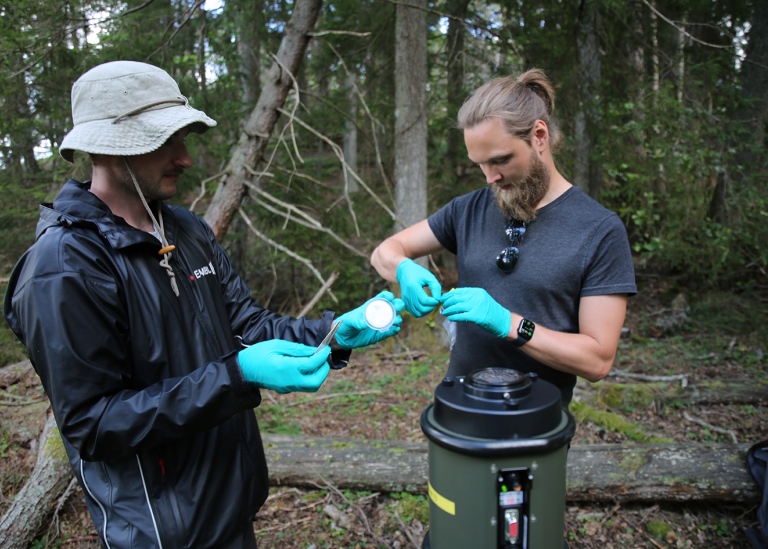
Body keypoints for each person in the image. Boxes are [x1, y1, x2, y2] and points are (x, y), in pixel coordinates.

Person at [3, 60, 404, 549]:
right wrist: (236, 376)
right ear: (108, 147)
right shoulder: (65, 265)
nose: (185, 157)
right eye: (165, 140)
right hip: (163, 531)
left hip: (231, 503)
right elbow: (94, 424)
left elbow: (247, 326)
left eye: (183, 137)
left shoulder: (186, 230)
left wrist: (335, 331)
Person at [371, 68, 636, 406]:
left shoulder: (599, 230)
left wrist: (510, 324)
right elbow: (385, 252)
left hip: (536, 427)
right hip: (458, 412)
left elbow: (597, 361)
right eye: (480, 164)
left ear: (539, 136)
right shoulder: (468, 210)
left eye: (501, 160)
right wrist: (403, 269)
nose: (490, 177)